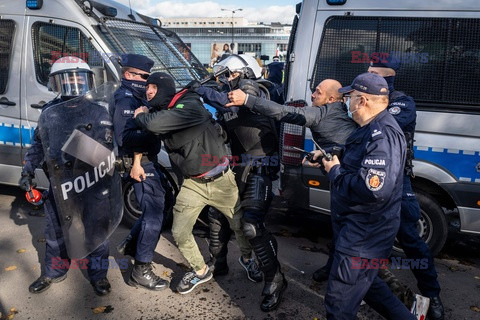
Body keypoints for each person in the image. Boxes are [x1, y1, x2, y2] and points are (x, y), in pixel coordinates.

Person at [309, 72, 415, 320]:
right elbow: (357, 156)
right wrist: (330, 157)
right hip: (361, 230)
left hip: (363, 236)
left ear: (362, 101)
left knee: (338, 305)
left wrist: (334, 171)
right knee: (373, 289)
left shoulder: (383, 134)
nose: (346, 101)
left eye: (349, 97)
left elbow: (373, 189)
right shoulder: (369, 127)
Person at [133, 72, 250, 295]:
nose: (148, 91)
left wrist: (140, 115)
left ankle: (247, 258)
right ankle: (200, 270)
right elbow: (148, 132)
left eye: (153, 87)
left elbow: (154, 124)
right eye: (147, 87)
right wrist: (137, 161)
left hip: (222, 181)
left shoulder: (189, 104)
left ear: (166, 89)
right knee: (180, 231)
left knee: (238, 225)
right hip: (193, 184)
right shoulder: (163, 111)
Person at [195, 54, 286, 311]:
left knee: (251, 226)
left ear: (239, 73)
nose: (222, 81)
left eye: (226, 75)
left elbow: (234, 105)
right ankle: (219, 262)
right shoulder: (227, 94)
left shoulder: (250, 89)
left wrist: (201, 89)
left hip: (259, 167)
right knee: (216, 214)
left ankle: (275, 279)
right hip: (235, 165)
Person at [19, 57, 115, 296]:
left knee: (97, 233)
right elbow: (39, 144)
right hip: (60, 183)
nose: (73, 82)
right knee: (55, 231)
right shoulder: (49, 111)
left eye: (78, 77)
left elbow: (106, 150)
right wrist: (28, 170)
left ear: (87, 80)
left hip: (91, 182)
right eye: (67, 78)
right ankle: (54, 271)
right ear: (56, 83)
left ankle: (99, 276)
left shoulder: (97, 110)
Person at [368, 55, 444, 320]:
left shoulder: (402, 102)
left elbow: (385, 126)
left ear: (388, 77)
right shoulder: (362, 98)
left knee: (410, 239)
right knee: (353, 228)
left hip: (398, 179)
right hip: (370, 176)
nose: (369, 78)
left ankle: (431, 294)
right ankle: (339, 269)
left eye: (374, 74)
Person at [111, 53, 170, 291]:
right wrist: (153, 128)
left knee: (161, 206)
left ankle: (133, 244)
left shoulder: (136, 96)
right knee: (154, 216)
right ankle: (141, 270)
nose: (147, 82)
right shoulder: (126, 100)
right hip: (140, 164)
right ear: (129, 75)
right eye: (145, 77)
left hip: (146, 160)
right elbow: (124, 137)